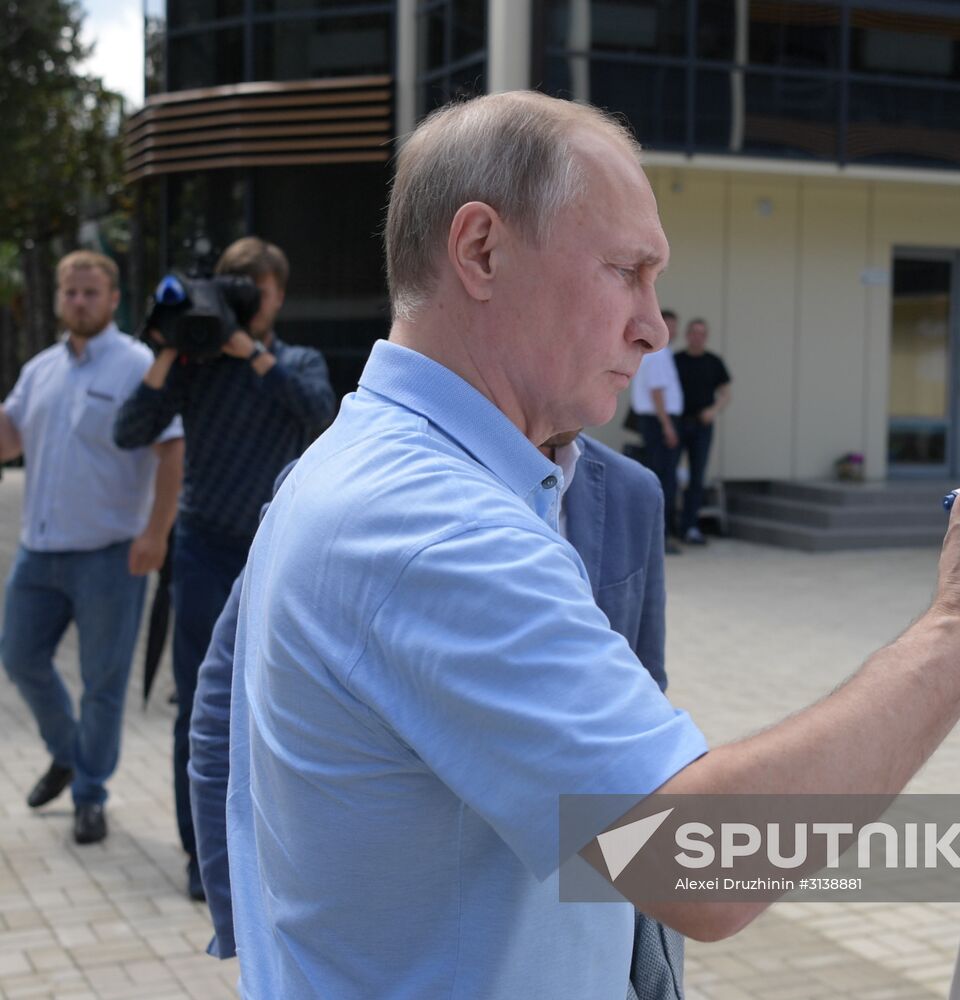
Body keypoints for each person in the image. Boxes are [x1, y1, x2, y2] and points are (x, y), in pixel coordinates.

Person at [225, 91, 960, 998]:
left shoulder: (373, 468)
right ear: (480, 250)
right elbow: (698, 862)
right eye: (626, 271)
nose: (653, 325)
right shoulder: (427, 525)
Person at [190, 431, 677, 989]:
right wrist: (243, 921)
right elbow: (705, 869)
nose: (652, 338)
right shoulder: (416, 515)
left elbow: (641, 709)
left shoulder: (628, 491)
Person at [112, 236, 335, 899]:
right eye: (232, 288)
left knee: (286, 701)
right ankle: (200, 853)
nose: (241, 302)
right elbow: (128, 430)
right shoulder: (192, 366)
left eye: (253, 290)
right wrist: (167, 350)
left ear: (278, 294)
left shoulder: (295, 359)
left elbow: (319, 414)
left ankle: (281, 842)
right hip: (204, 548)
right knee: (199, 707)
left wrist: (251, 353)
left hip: (279, 548)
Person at [0, 250, 184, 845]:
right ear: (59, 299)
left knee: (103, 683)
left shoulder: (137, 366)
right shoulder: (41, 369)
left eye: (90, 292)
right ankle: (68, 752)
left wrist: (156, 532)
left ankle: (89, 794)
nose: (78, 301)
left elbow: (172, 451)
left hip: (111, 553)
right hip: (39, 551)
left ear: (112, 300)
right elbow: (10, 436)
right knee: (19, 656)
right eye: (70, 292)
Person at [630, 309, 684, 553]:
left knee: (660, 476)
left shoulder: (653, 353)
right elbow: (657, 392)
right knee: (664, 479)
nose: (672, 331)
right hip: (659, 421)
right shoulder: (659, 353)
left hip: (654, 421)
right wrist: (667, 426)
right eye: (668, 325)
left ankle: (657, 537)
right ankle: (660, 538)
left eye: (674, 326)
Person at [674, 317, 731, 544]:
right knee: (669, 475)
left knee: (697, 477)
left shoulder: (714, 362)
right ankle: (669, 527)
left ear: (705, 337)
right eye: (694, 332)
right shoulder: (676, 360)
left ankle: (691, 527)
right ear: (687, 335)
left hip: (702, 426)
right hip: (678, 423)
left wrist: (714, 410)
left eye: (701, 333)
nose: (697, 337)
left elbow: (726, 393)